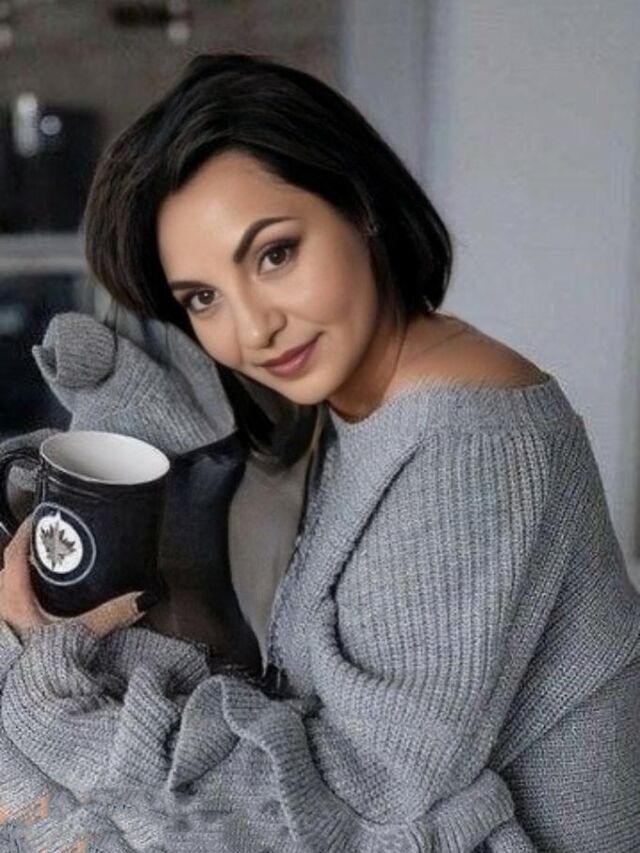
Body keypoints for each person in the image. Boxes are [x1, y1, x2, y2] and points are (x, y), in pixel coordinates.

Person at [0, 50, 639, 852]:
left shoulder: (469, 444)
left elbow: (348, 804)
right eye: (203, 298)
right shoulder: (371, 398)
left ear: (360, 205)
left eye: (275, 254)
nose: (254, 328)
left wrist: (53, 701)